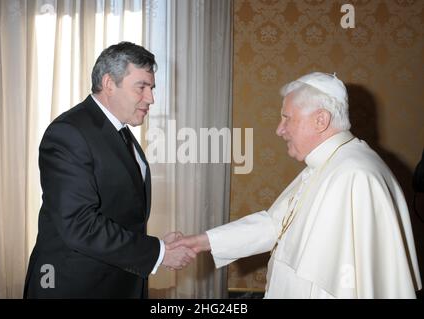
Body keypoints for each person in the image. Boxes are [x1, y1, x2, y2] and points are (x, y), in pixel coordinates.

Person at [169, 72, 422, 298]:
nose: (280, 129)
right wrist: (201, 241)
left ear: (320, 120)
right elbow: (275, 224)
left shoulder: (354, 175)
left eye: (287, 118)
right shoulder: (326, 163)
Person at [24, 42, 195, 298]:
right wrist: (158, 252)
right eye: (142, 87)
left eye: (152, 88)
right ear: (108, 83)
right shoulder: (68, 133)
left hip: (116, 281)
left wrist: (158, 245)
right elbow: (79, 224)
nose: (151, 98)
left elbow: (118, 211)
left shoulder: (120, 130)